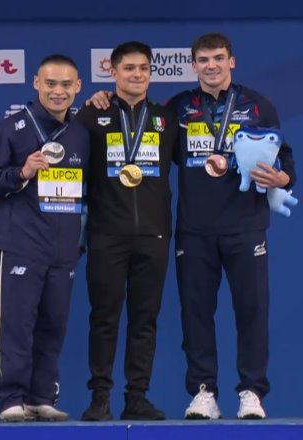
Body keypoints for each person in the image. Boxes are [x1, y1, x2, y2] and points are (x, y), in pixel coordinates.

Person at [88, 33, 296, 420]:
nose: (211, 65)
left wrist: (282, 180)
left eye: (219, 58)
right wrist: (101, 99)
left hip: (246, 227)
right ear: (193, 65)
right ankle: (204, 391)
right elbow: (136, 126)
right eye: (203, 59)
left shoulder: (257, 106)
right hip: (194, 230)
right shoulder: (176, 109)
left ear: (232, 61)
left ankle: (251, 390)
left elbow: (285, 159)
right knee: (196, 313)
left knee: (252, 311)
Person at [0, 54, 90, 423]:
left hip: (64, 246)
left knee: (53, 325)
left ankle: (41, 396)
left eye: (66, 85)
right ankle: (10, 398)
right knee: (17, 325)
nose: (58, 91)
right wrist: (23, 171)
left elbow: (87, 191)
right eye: (51, 84)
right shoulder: (13, 127)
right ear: (36, 83)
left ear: (78, 88)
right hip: (20, 242)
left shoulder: (80, 134)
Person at [74, 41, 178, 421]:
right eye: (129, 68)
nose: (137, 75)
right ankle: (100, 398)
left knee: (144, 319)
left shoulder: (167, 119)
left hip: (154, 236)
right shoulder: (90, 116)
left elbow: (201, 167)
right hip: (107, 235)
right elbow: (66, 164)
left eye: (143, 69)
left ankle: (137, 396)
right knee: (104, 318)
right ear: (112, 72)